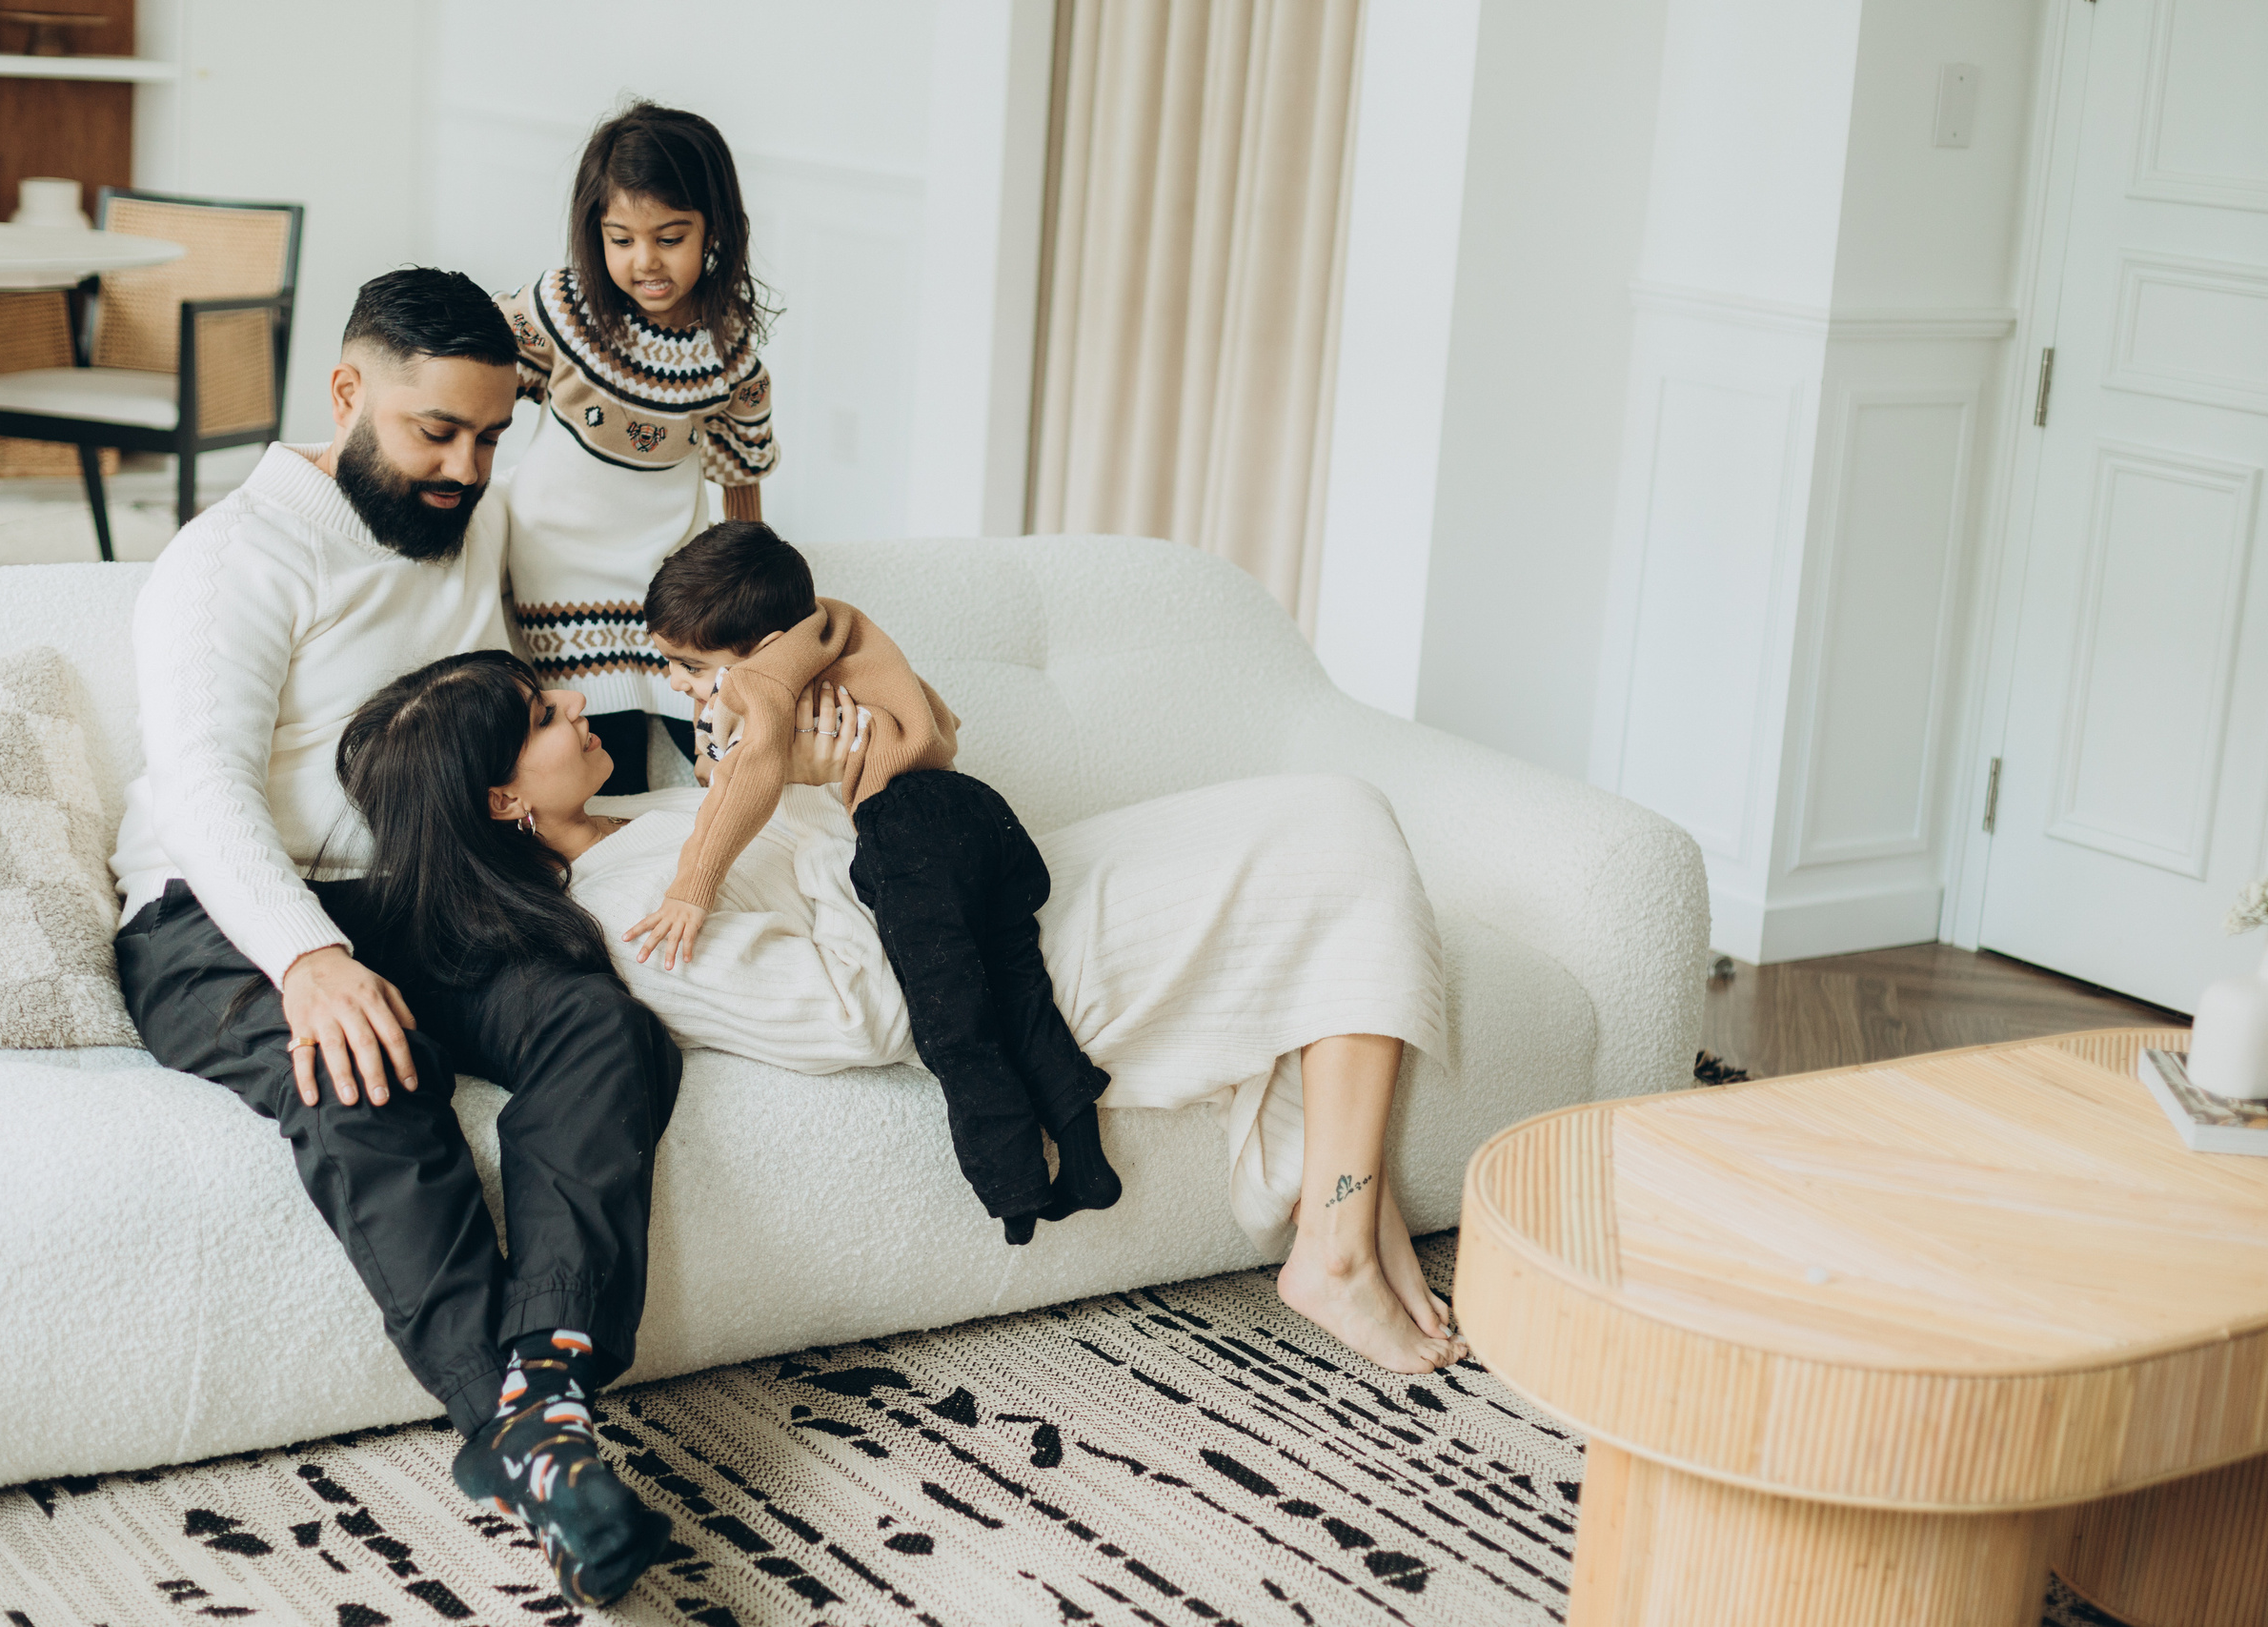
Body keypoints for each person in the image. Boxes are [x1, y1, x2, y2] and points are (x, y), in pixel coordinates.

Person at [339, 649, 1467, 1375]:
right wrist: (857, 815)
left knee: (1335, 806)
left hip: (991, 893)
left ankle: (1343, 1219)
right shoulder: (639, 920)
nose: (579, 703)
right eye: (545, 713)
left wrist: (845, 783)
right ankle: (1333, 1243)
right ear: (502, 801)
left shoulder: (639, 807)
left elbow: (840, 854)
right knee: (1334, 831)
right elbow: (863, 1016)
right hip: (985, 964)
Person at [109, 268, 678, 1608]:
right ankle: (530, 1438)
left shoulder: (469, 515)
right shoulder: (231, 559)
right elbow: (203, 790)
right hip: (220, 912)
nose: (466, 467)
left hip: (423, 895)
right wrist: (308, 959)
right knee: (369, 1066)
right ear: (347, 392)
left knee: (601, 1024)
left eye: (491, 435)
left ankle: (541, 1387)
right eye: (436, 432)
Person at [631, 522, 1123, 1247]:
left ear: (759, 649)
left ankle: (1016, 1191)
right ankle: (1085, 1159)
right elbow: (938, 727)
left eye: (690, 666)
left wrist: (692, 886)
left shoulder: (761, 678)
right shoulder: (838, 626)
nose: (677, 681)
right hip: (976, 808)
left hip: (908, 833)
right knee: (1020, 982)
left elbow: (746, 776)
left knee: (952, 1017)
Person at [496, 99, 779, 794]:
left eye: (670, 236)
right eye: (620, 239)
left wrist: (754, 598)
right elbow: (482, 381)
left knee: (723, 750)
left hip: (666, 573)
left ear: (715, 227)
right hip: (558, 567)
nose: (644, 261)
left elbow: (740, 471)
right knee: (605, 766)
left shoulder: (730, 348)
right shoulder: (563, 310)